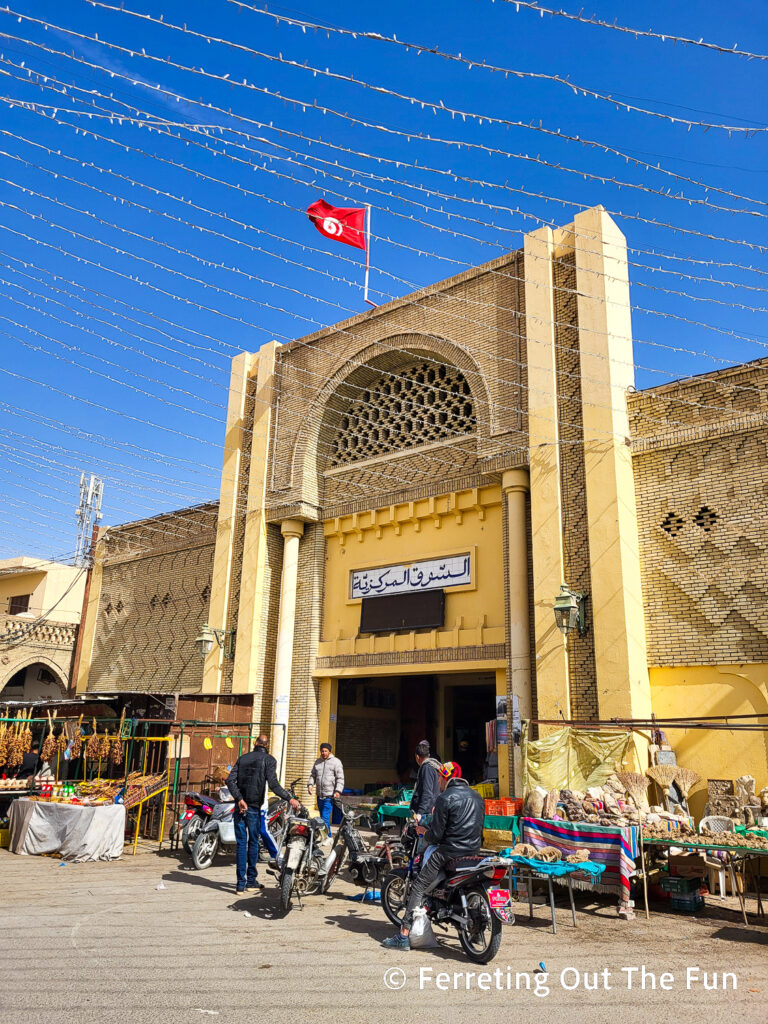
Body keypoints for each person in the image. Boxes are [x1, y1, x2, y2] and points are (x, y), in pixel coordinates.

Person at [382, 761, 484, 951]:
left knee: (419, 885)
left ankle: (403, 936)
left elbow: (436, 834)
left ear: (446, 777)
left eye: (440, 777)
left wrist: (423, 832)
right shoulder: (477, 797)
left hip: (448, 852)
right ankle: (477, 934)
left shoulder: (445, 798)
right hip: (473, 852)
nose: (438, 781)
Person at [226, 734, 299, 894]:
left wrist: (239, 799)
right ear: (267, 745)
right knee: (252, 843)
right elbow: (273, 785)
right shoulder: (269, 760)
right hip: (253, 808)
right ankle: (251, 882)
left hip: (240, 807)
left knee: (241, 844)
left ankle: (240, 885)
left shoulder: (243, 758)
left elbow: (229, 780)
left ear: (256, 743)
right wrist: (290, 798)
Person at [308, 742, 344, 832]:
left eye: (325, 751)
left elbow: (340, 778)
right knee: (322, 818)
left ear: (329, 751)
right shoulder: (317, 762)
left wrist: (338, 791)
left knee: (324, 818)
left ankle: (328, 837)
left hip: (330, 795)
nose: (323, 753)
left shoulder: (336, 762)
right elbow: (313, 775)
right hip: (319, 795)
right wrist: (310, 785)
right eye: (322, 751)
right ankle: (327, 837)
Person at [409, 740, 441, 822]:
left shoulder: (426, 768)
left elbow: (427, 793)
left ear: (417, 757)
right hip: (431, 809)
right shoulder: (433, 766)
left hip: (426, 813)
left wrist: (420, 812)